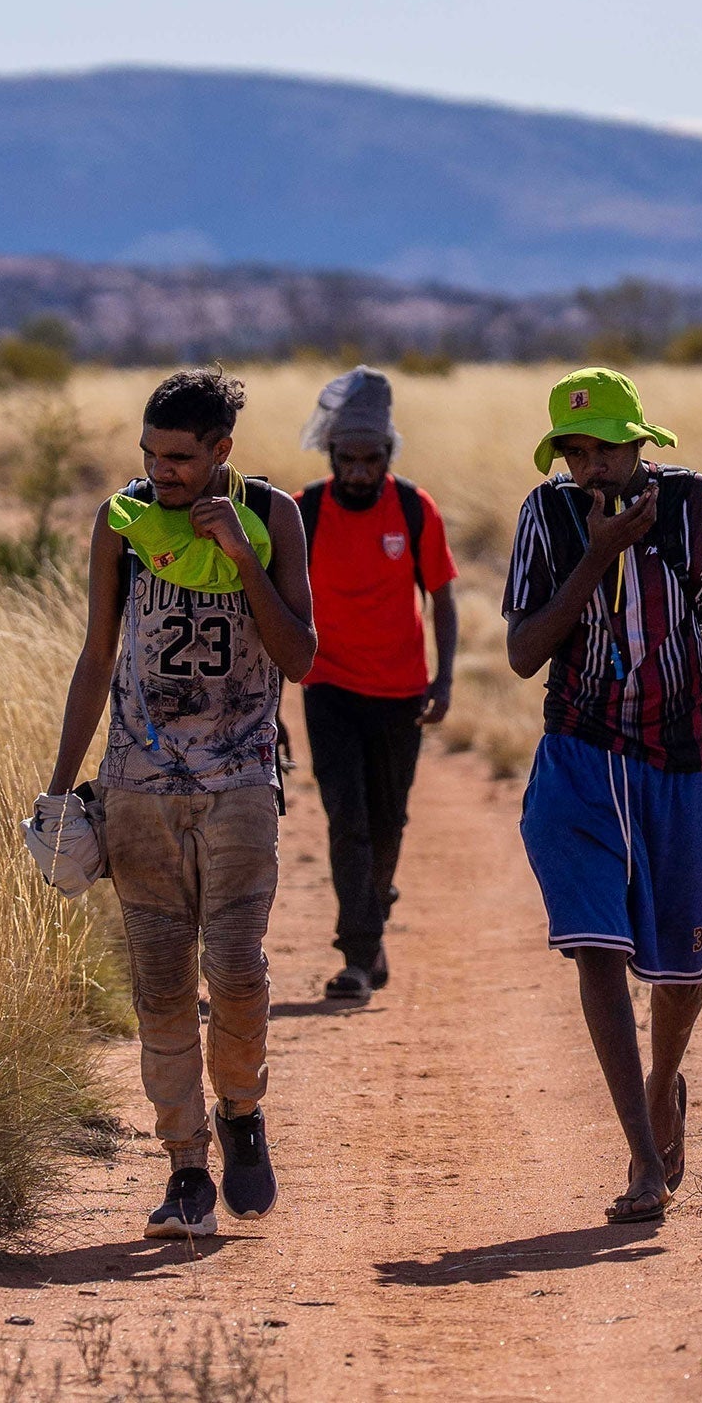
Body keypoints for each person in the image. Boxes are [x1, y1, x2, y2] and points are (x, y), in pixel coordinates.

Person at [42, 370, 316, 1239]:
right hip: (138, 790)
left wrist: (242, 556)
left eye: (180, 458)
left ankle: (241, 1109)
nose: (161, 471)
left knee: (235, 970)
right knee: (160, 987)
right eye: (151, 455)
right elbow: (97, 655)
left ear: (221, 451)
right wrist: (61, 787)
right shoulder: (121, 522)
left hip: (241, 787)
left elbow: (301, 656)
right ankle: (186, 1168)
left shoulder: (273, 516)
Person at [504, 367, 702, 1224]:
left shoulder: (692, 504)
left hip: (682, 755)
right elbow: (523, 651)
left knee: (682, 972)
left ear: (641, 445)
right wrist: (596, 556)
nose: (593, 467)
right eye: (576, 452)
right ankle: (645, 1161)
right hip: (579, 754)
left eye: (608, 449)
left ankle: (663, 1085)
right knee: (597, 950)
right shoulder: (547, 519)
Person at [295, 367, 460, 1004]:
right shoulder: (304, 512)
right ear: (330, 454)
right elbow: (276, 607)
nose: (359, 472)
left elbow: (443, 596)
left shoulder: (416, 509)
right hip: (329, 685)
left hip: (399, 690)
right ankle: (358, 957)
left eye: (371, 459)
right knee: (348, 820)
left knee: (388, 820)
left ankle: (372, 911)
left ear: (388, 454)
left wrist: (443, 679)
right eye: (348, 459)